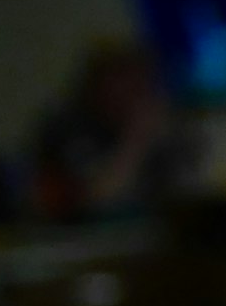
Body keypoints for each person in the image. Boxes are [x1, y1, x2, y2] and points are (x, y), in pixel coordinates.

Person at [29, 39, 203, 223]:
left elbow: (189, 191)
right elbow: (94, 201)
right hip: (75, 240)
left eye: (141, 79)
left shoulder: (157, 123)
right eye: (122, 78)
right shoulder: (69, 128)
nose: (133, 89)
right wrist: (136, 140)